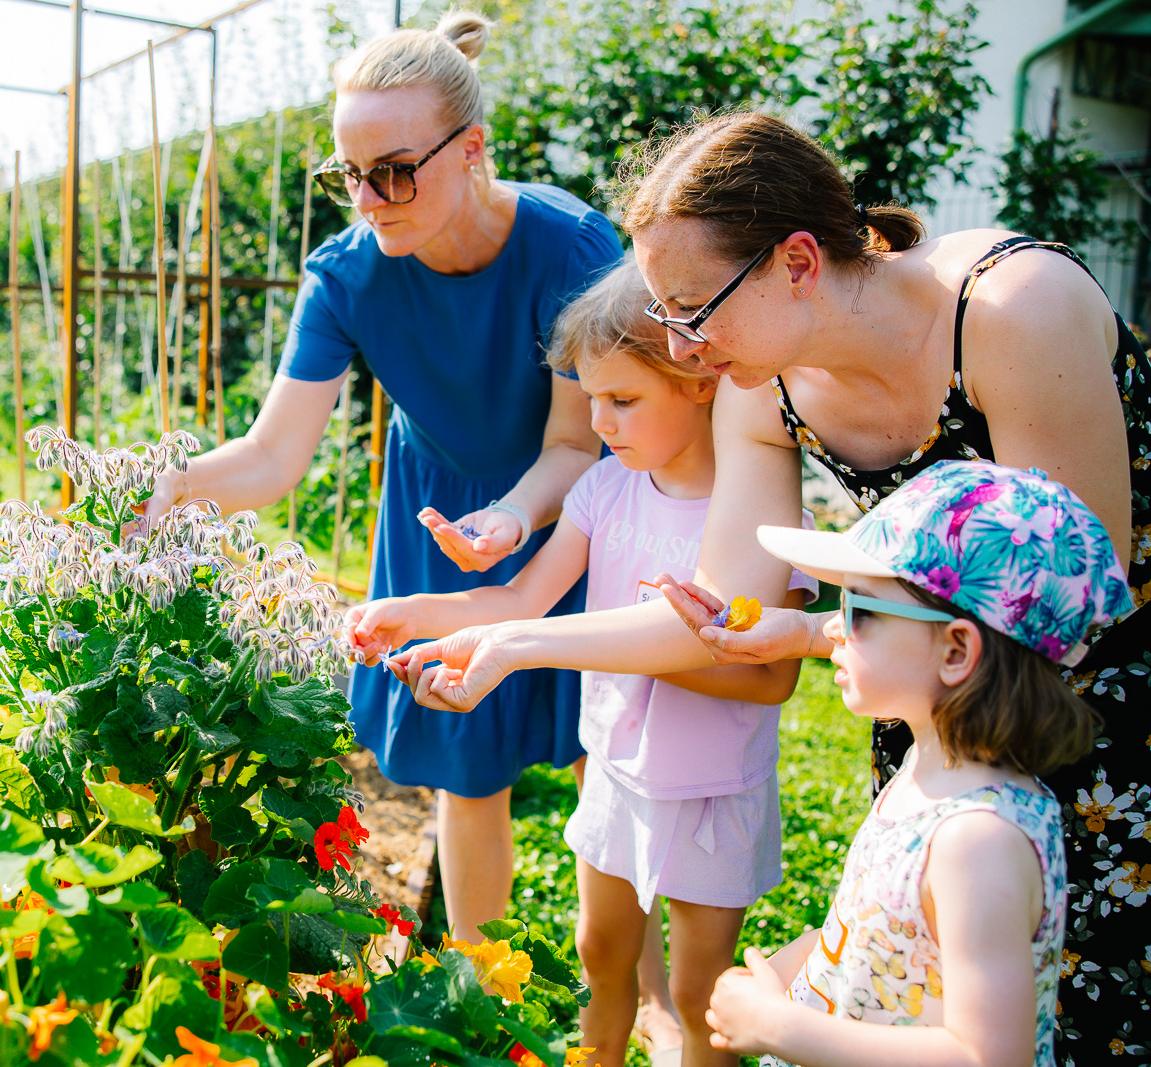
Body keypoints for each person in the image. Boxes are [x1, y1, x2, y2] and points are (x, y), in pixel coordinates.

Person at [390, 111, 1150, 1060]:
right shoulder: (765, 380)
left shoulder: (1013, 308)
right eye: (665, 314)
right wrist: (514, 639)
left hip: (1093, 689)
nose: (684, 349)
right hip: (932, 667)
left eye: (692, 308)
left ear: (797, 262)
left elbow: (1060, 604)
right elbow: (722, 608)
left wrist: (828, 633)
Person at [140, 4, 639, 974]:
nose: (370, 199)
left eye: (395, 171)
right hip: (438, 510)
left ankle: (610, 985)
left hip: (575, 500)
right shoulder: (345, 279)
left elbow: (576, 440)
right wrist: (158, 490)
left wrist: (514, 517)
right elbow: (270, 458)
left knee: (600, 746)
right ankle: (478, 984)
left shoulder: (572, 248)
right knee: (465, 767)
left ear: (471, 150)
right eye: (348, 176)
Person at [348, 262, 812, 1067]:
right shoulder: (601, 491)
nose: (598, 421)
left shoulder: (761, 515)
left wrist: (638, 649)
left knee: (702, 991)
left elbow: (771, 676)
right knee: (600, 951)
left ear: (702, 380)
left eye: (623, 400)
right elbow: (518, 601)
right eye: (590, 397)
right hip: (615, 776)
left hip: (715, 789)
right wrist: (412, 612)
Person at [705, 461, 1131, 1066]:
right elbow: (889, 938)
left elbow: (988, 1056)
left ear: (957, 649)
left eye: (862, 611)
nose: (833, 628)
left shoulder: (976, 838)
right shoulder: (926, 776)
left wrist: (781, 1029)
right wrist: (803, 961)